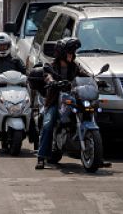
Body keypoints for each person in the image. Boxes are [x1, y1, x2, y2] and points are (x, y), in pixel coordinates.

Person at [35, 37, 91, 170]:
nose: (72, 54)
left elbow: (84, 75)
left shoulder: (74, 66)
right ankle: (41, 157)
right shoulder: (50, 66)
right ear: (61, 53)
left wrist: (96, 80)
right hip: (55, 101)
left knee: (89, 112)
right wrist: (51, 81)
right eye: (70, 52)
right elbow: (47, 76)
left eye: (73, 52)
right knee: (48, 125)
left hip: (72, 99)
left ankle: (96, 156)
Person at [0, 33, 27, 151]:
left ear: (9, 46)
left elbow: (25, 71)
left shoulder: (15, 60)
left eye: (4, 46)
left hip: (17, 89)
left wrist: (32, 75)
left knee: (29, 108)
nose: (2, 48)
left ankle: (34, 135)